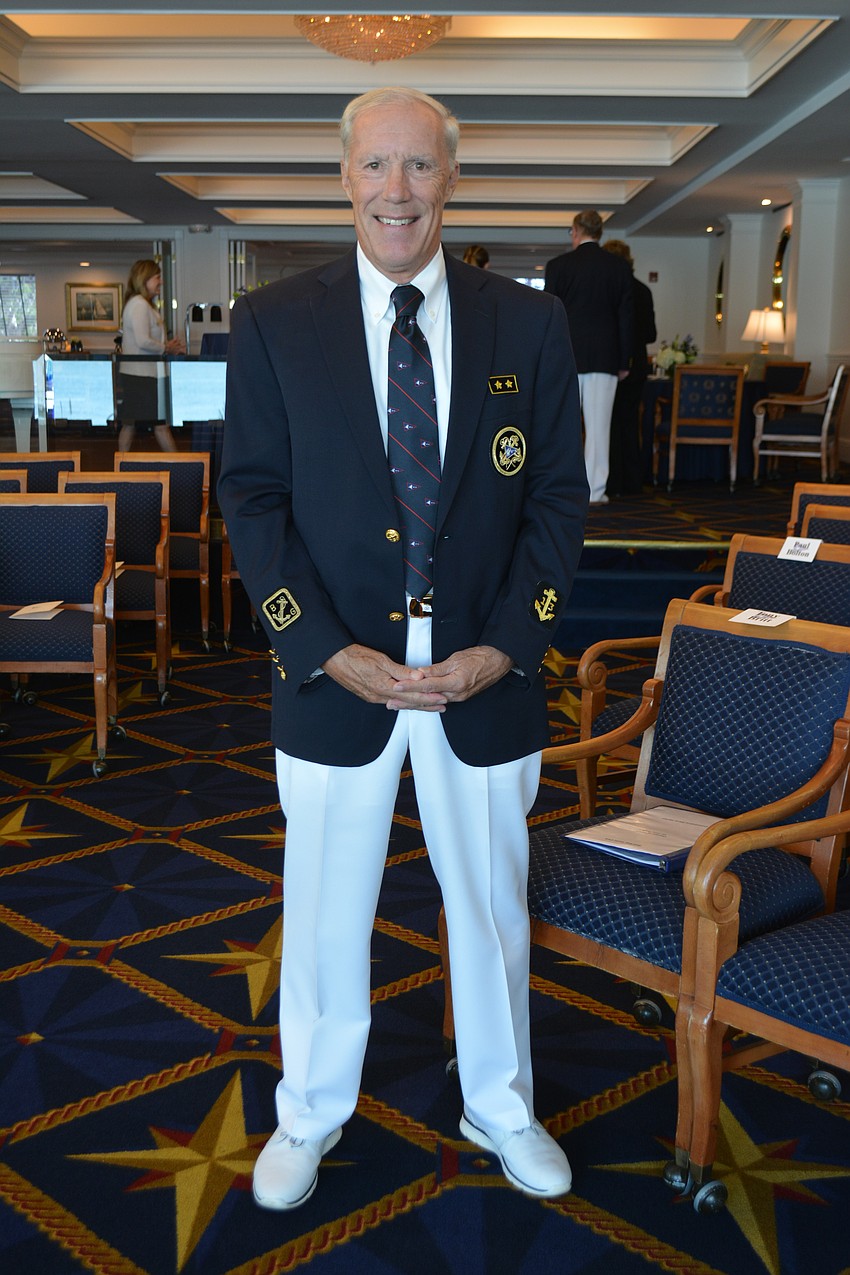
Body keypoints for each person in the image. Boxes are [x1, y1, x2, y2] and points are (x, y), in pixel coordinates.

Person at [217, 86, 588, 1213]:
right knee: (326, 912)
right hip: (337, 679)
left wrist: (504, 648)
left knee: (486, 910)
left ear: (451, 177)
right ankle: (311, 1113)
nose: (397, 191)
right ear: (344, 177)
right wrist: (322, 651)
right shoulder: (276, 321)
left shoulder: (528, 320)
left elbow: (559, 504)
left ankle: (500, 1104)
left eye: (418, 168)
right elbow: (254, 500)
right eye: (375, 166)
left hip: (480, 675)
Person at [544, 210, 633, 504]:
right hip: (606, 357)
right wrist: (624, 361)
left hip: (567, 355)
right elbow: (625, 316)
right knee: (599, 426)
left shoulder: (559, 266)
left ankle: (561, 487)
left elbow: (549, 317)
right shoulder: (618, 267)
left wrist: (548, 357)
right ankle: (595, 490)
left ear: (576, 231)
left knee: (563, 426)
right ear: (600, 232)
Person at [602, 239, 657, 496]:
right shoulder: (643, 291)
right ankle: (634, 481)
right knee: (630, 423)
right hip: (637, 367)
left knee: (611, 424)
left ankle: (614, 482)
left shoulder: (610, 290)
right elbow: (651, 334)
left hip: (613, 364)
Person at [117, 259, 184, 451]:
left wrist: (166, 347)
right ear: (144, 279)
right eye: (157, 277)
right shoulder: (139, 305)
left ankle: (120, 467)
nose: (160, 282)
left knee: (138, 424)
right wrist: (166, 347)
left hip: (142, 375)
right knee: (156, 424)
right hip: (140, 376)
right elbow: (142, 340)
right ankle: (177, 466)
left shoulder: (143, 305)